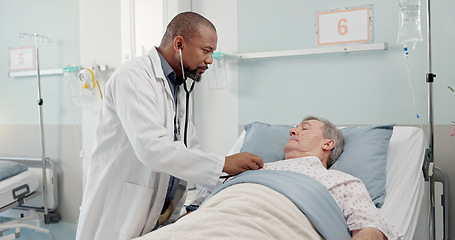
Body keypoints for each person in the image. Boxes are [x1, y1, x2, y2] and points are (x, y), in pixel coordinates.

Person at [75, 12, 263, 240]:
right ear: (179, 44)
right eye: (206, 50)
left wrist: (219, 184)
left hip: (158, 214)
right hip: (120, 212)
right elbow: (152, 149)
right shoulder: (134, 76)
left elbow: (189, 148)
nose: (211, 60)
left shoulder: (178, 84)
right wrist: (224, 164)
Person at [137, 116, 401, 240]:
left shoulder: (342, 181)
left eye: (304, 128)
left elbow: (369, 230)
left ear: (328, 143)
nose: (293, 130)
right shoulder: (248, 172)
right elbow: (198, 211)